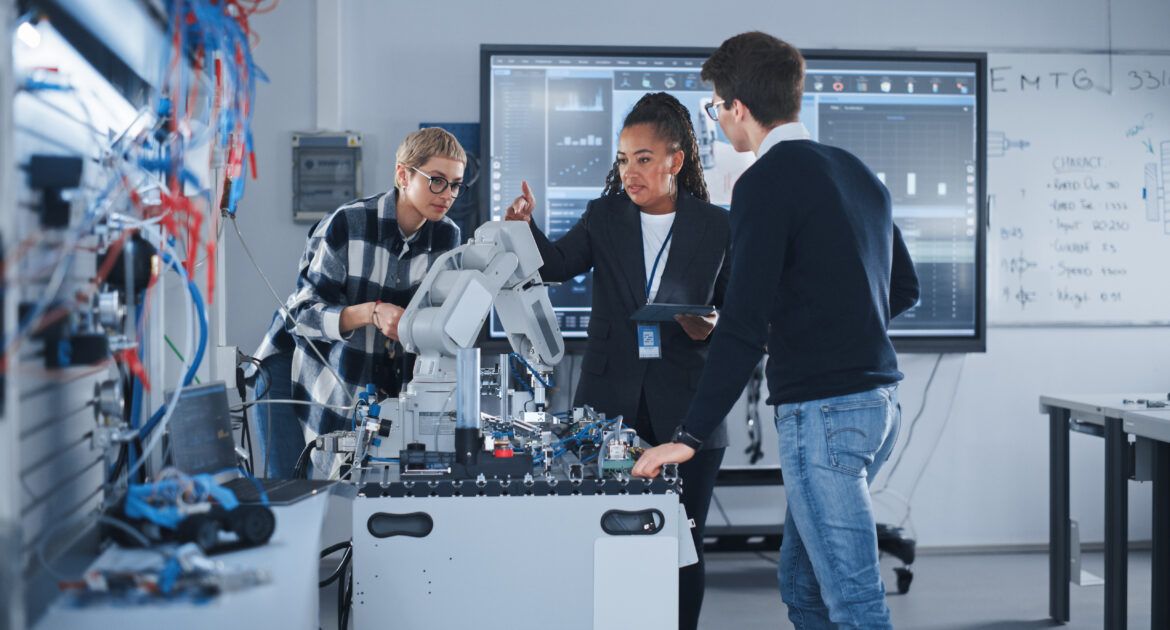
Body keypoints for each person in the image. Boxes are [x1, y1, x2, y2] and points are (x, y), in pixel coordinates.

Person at [631, 33, 920, 630]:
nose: (717, 120)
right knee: (801, 586)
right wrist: (816, 325)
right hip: (879, 407)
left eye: (715, 107)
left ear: (738, 106)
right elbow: (904, 290)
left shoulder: (763, 182)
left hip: (824, 416)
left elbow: (741, 323)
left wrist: (688, 434)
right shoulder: (858, 172)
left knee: (855, 603)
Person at [505, 92, 730, 630]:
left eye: (644, 159)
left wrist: (713, 324)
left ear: (676, 160)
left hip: (688, 405)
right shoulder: (603, 216)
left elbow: (738, 312)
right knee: (604, 536)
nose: (630, 172)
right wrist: (522, 227)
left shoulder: (717, 226)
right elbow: (557, 264)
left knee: (683, 540)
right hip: (609, 403)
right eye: (624, 160)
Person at [250, 127, 466, 478]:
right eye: (437, 180)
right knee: (293, 496)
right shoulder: (347, 225)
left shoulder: (447, 236)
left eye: (455, 184)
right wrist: (371, 312)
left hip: (365, 376)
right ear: (402, 174)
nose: (448, 194)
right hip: (295, 371)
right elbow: (300, 315)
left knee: (360, 495)